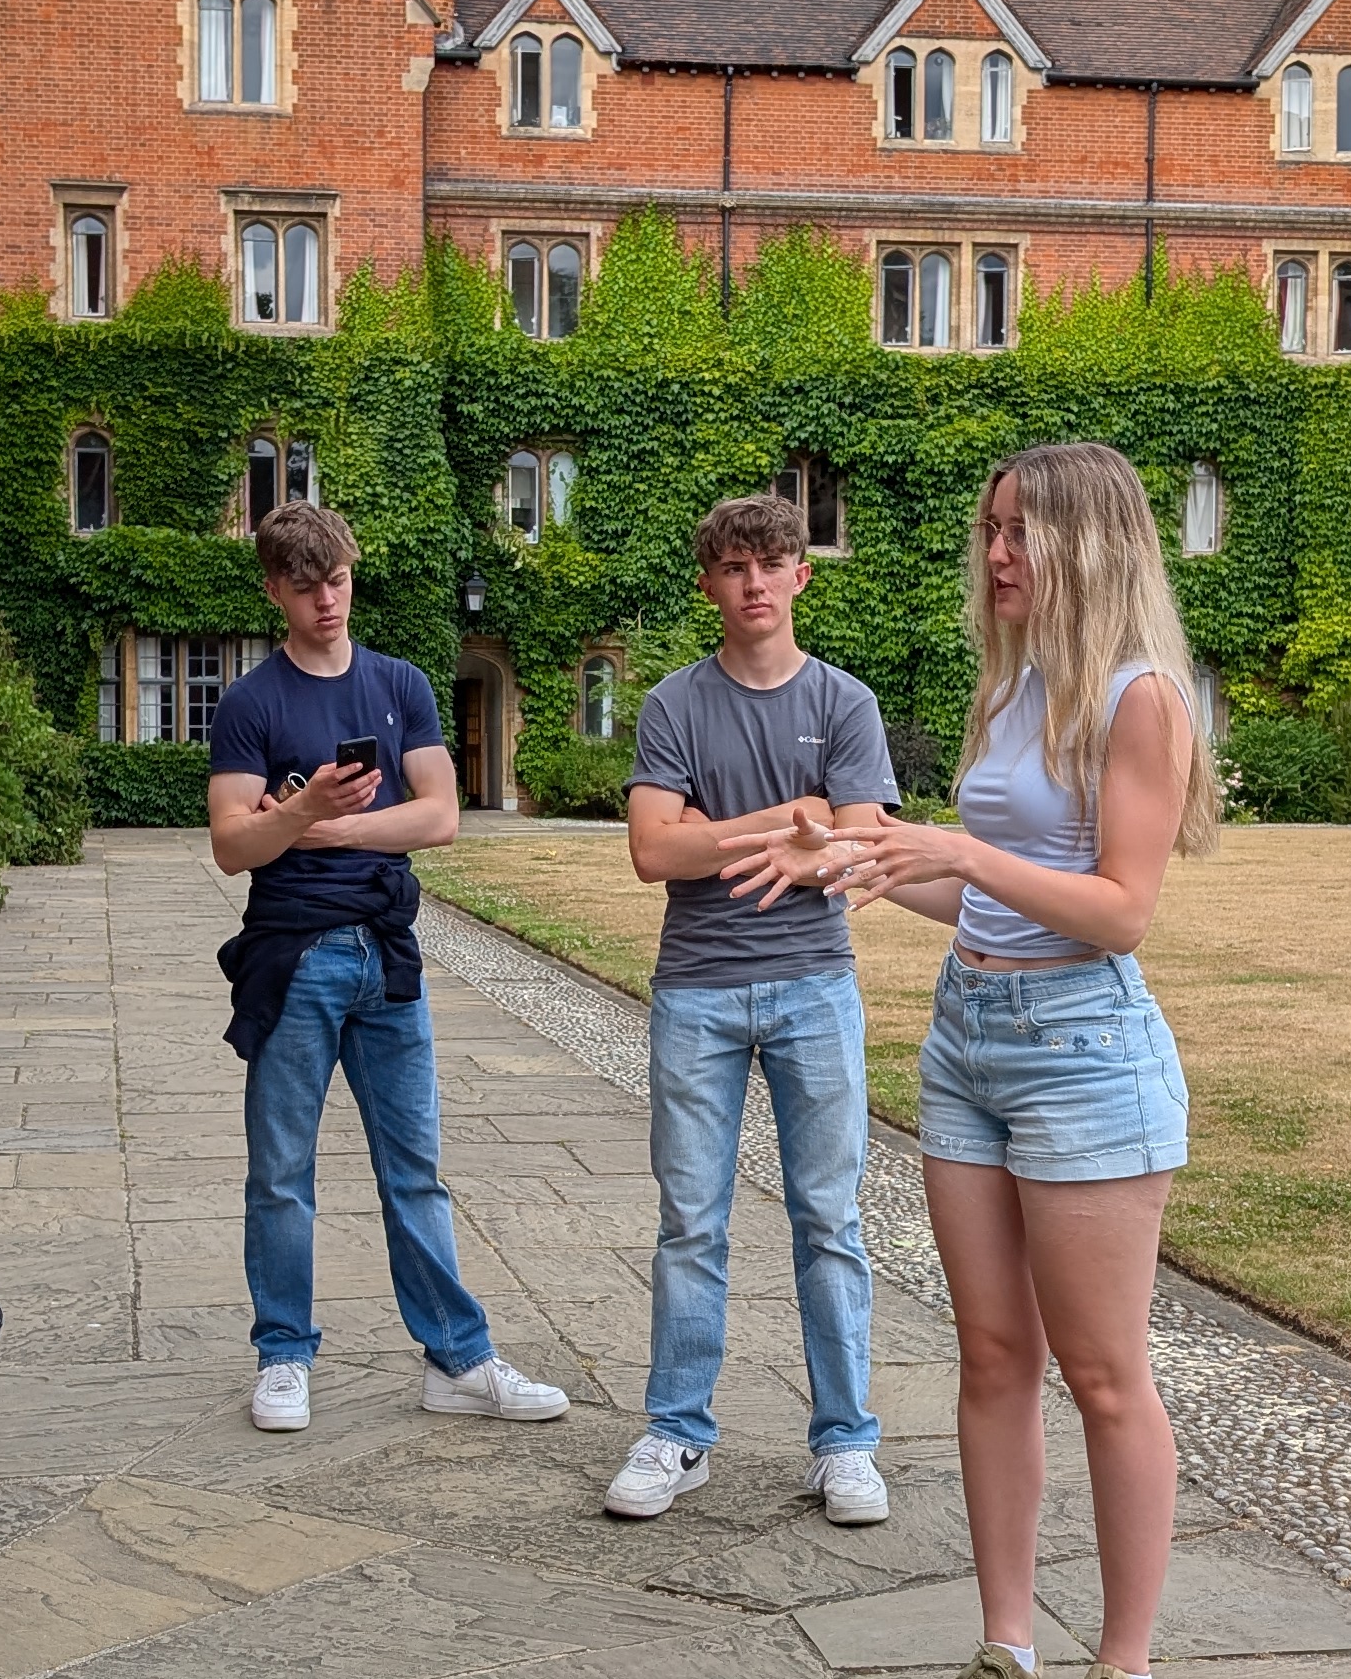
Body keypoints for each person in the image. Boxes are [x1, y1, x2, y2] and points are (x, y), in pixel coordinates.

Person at [748, 440, 1215, 1679]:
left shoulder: (1140, 700)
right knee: (993, 1360)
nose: (997, 554)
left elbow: (1122, 911)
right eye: (992, 528)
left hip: (1083, 1053)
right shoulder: (1011, 688)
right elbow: (983, 894)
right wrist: (867, 860)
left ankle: (1124, 1677)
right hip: (968, 1040)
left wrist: (958, 844)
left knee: (1107, 1374)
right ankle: (1007, 1653)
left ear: (1089, 540)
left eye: (1022, 532)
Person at [206, 501, 567, 1433]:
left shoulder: (400, 683)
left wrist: (319, 823)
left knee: (416, 1168)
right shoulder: (252, 701)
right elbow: (231, 845)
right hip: (291, 960)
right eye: (304, 586)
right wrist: (298, 816)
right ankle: (284, 1354)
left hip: (388, 955)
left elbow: (440, 816)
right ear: (273, 590)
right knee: (281, 1172)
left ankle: (458, 1358)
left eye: (337, 580)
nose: (327, 601)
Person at [605, 493, 899, 1523]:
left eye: (772, 564)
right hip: (698, 985)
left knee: (830, 1220)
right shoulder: (675, 705)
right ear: (710, 586)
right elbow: (653, 853)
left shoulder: (846, 704)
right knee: (692, 1221)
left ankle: (846, 1443)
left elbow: (857, 852)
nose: (755, 583)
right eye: (735, 568)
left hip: (816, 986)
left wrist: (722, 830)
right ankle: (677, 1433)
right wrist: (790, 818)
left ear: (800, 576)